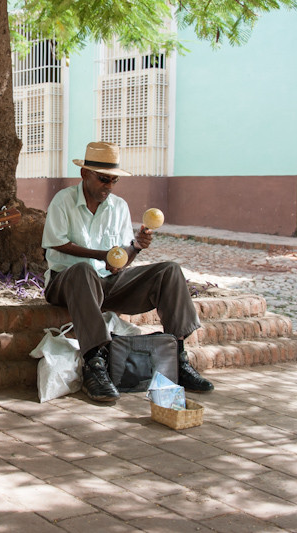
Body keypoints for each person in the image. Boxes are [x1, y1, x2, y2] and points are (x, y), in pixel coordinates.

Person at [41, 141, 214, 403]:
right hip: (67, 283)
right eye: (103, 179)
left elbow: (121, 258)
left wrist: (136, 246)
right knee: (83, 272)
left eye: (113, 181)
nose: (109, 186)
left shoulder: (118, 207)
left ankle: (178, 356)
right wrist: (102, 256)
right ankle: (95, 363)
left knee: (169, 271)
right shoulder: (62, 201)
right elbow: (57, 243)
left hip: (108, 284)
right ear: (84, 174)